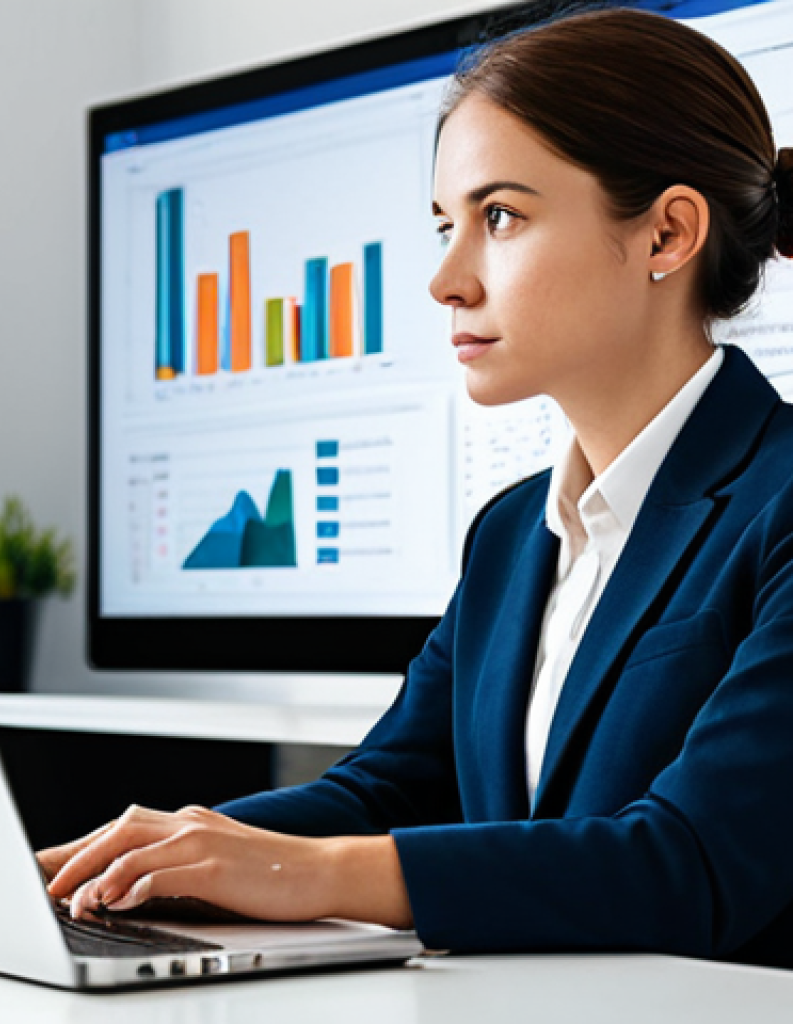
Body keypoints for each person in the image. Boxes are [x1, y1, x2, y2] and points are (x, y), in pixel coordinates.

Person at [40, 7, 793, 965]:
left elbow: (690, 866)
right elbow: (391, 789)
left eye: (500, 217)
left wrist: (305, 874)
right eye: (446, 226)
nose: (445, 279)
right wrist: (140, 861)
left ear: (667, 234)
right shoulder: (513, 532)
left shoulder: (779, 501)